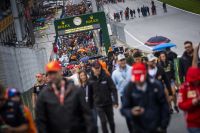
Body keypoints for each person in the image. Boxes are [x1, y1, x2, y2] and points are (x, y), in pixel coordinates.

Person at [36, 61, 95, 133]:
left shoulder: (75, 90)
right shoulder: (43, 95)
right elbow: (41, 121)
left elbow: (87, 115)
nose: (52, 76)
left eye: (54, 72)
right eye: (50, 73)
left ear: (60, 71)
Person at [121, 63, 170, 133]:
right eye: (136, 78)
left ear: (146, 73)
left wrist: (163, 125)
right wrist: (131, 112)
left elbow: (164, 106)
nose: (138, 81)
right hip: (139, 128)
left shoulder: (156, 86)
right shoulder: (129, 88)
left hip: (157, 127)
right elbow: (124, 109)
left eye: (140, 78)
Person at [89, 60, 118, 133]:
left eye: (98, 67)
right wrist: (89, 107)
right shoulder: (90, 80)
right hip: (98, 105)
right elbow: (89, 94)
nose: (97, 69)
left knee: (111, 121)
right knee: (103, 121)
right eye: (96, 68)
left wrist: (116, 101)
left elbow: (113, 89)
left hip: (108, 103)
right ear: (92, 68)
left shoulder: (106, 76)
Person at [112, 54, 132, 133]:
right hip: (124, 97)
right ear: (117, 62)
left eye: (123, 59)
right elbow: (113, 88)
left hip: (134, 95)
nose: (123, 61)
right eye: (121, 60)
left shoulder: (132, 69)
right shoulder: (115, 73)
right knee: (128, 116)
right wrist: (115, 101)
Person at [178, 67, 200, 133]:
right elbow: (180, 105)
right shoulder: (184, 87)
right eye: (194, 80)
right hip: (193, 123)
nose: (196, 81)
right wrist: (192, 102)